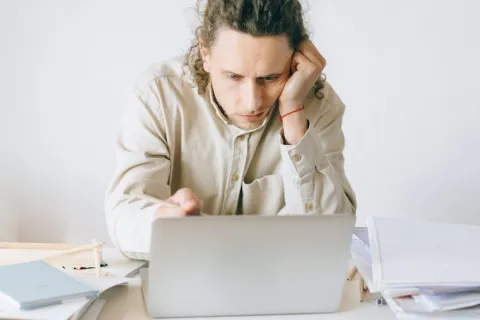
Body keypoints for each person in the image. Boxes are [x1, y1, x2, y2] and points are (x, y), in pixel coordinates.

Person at [105, 0, 356, 260]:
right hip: (180, 278)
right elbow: (125, 215)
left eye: (270, 78)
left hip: (276, 287)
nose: (252, 102)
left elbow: (331, 236)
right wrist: (162, 222)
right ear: (205, 52)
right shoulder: (159, 95)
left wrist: (293, 113)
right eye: (234, 77)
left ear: (295, 62)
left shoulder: (318, 107)